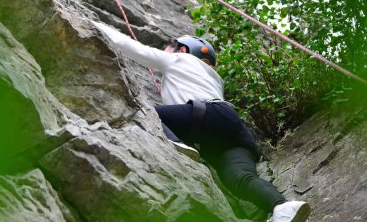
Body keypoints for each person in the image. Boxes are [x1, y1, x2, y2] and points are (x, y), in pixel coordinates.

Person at [91, 20, 311, 222]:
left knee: (145, 111)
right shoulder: (212, 77)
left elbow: (131, 47)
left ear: (184, 49)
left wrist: (92, 24)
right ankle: (282, 207)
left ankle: (177, 143)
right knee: (240, 179)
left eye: (170, 46)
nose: (166, 50)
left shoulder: (180, 58)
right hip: (232, 130)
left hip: (204, 117)